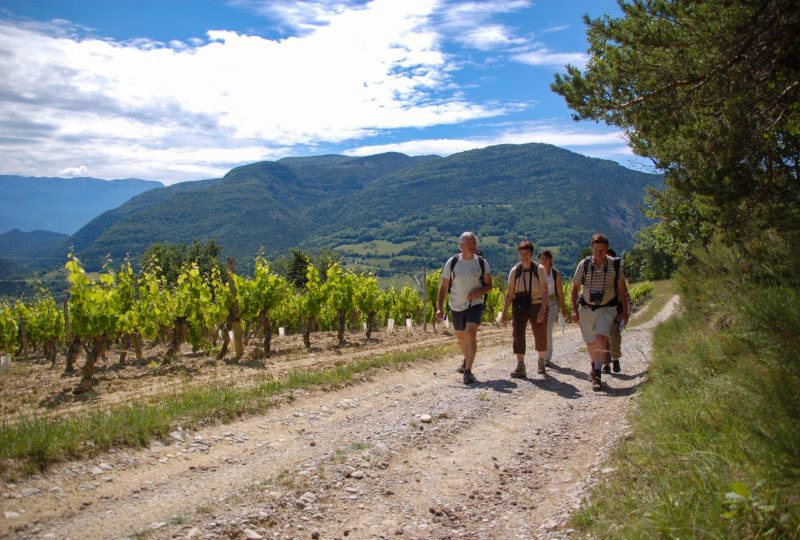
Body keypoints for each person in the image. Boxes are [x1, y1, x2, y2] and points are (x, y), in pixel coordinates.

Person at [570, 234, 629, 391]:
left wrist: (625, 311)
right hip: (587, 309)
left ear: (607, 249)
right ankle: (594, 364)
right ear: (592, 249)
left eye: (602, 250)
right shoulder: (584, 265)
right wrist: (574, 310)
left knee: (600, 337)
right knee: (590, 343)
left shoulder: (614, 266)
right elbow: (575, 288)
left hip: (607, 308)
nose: (599, 253)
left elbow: (622, 289)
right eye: (596, 250)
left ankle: (597, 374)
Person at [436, 232, 493, 385]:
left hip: (475, 304)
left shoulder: (481, 263)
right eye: (469, 243)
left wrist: (478, 292)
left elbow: (489, 285)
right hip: (456, 305)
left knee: (470, 333)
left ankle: (468, 371)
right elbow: (443, 287)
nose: (472, 245)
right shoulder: (452, 262)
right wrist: (439, 308)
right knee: (461, 338)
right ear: (461, 246)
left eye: (474, 242)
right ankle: (466, 359)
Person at [500, 240, 549, 377]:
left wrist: (543, 309)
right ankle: (520, 365)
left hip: (537, 303)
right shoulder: (515, 271)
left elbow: (545, 291)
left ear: (532, 254)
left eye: (527, 253)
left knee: (539, 333)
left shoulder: (539, 269)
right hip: (520, 305)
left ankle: (541, 360)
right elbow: (510, 293)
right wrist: (504, 312)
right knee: (518, 333)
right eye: (521, 253)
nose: (524, 256)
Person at [539, 250, 569, 367]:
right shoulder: (538, 272)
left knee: (548, 329)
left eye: (545, 258)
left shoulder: (556, 274)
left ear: (550, 259)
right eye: (541, 258)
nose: (543, 261)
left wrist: (563, 307)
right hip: (541, 303)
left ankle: (546, 357)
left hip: (552, 304)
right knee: (541, 329)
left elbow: (560, 292)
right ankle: (543, 353)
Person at [602, 248, 627, 374]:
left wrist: (624, 312)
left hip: (616, 309)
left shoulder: (617, 272)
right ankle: (606, 363)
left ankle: (615, 358)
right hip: (601, 310)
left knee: (615, 335)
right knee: (604, 337)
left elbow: (624, 292)